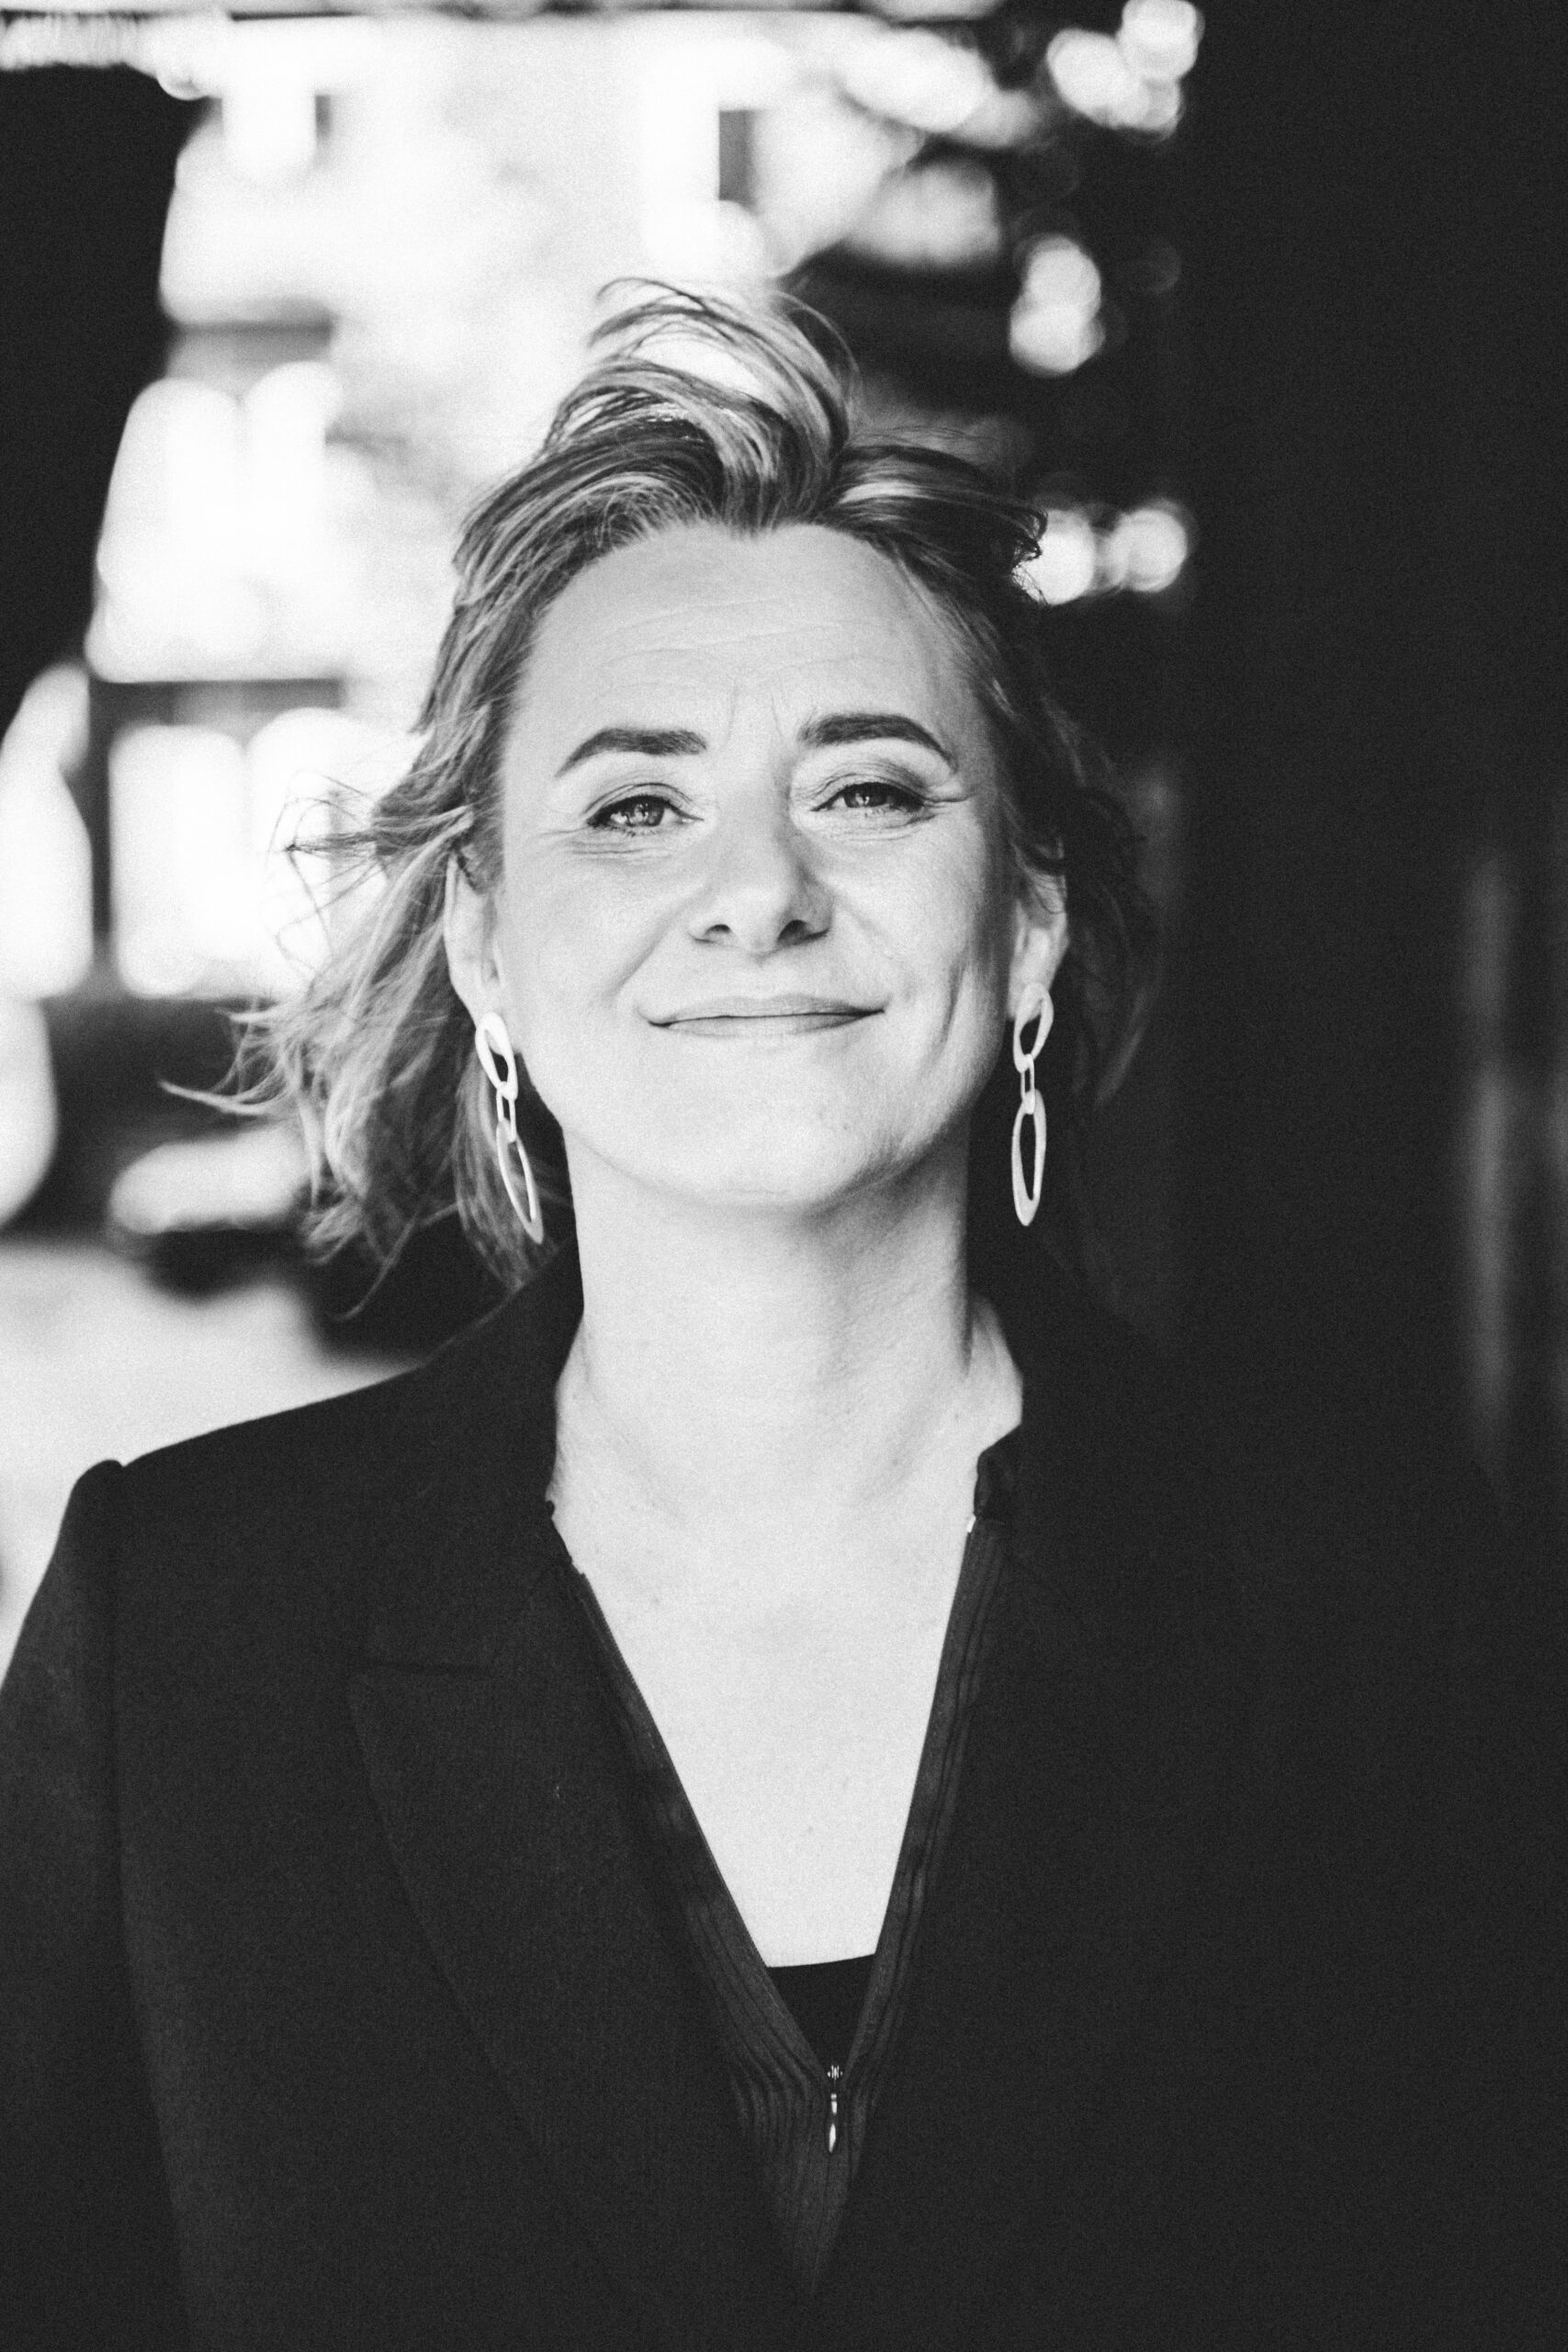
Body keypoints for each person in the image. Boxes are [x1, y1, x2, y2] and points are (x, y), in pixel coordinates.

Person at [0, 288, 1560, 2352]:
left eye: (872, 789)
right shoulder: (183, 1634)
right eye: (636, 807)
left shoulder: (1366, 1602)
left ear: (1028, 921)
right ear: (485, 948)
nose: (758, 890)